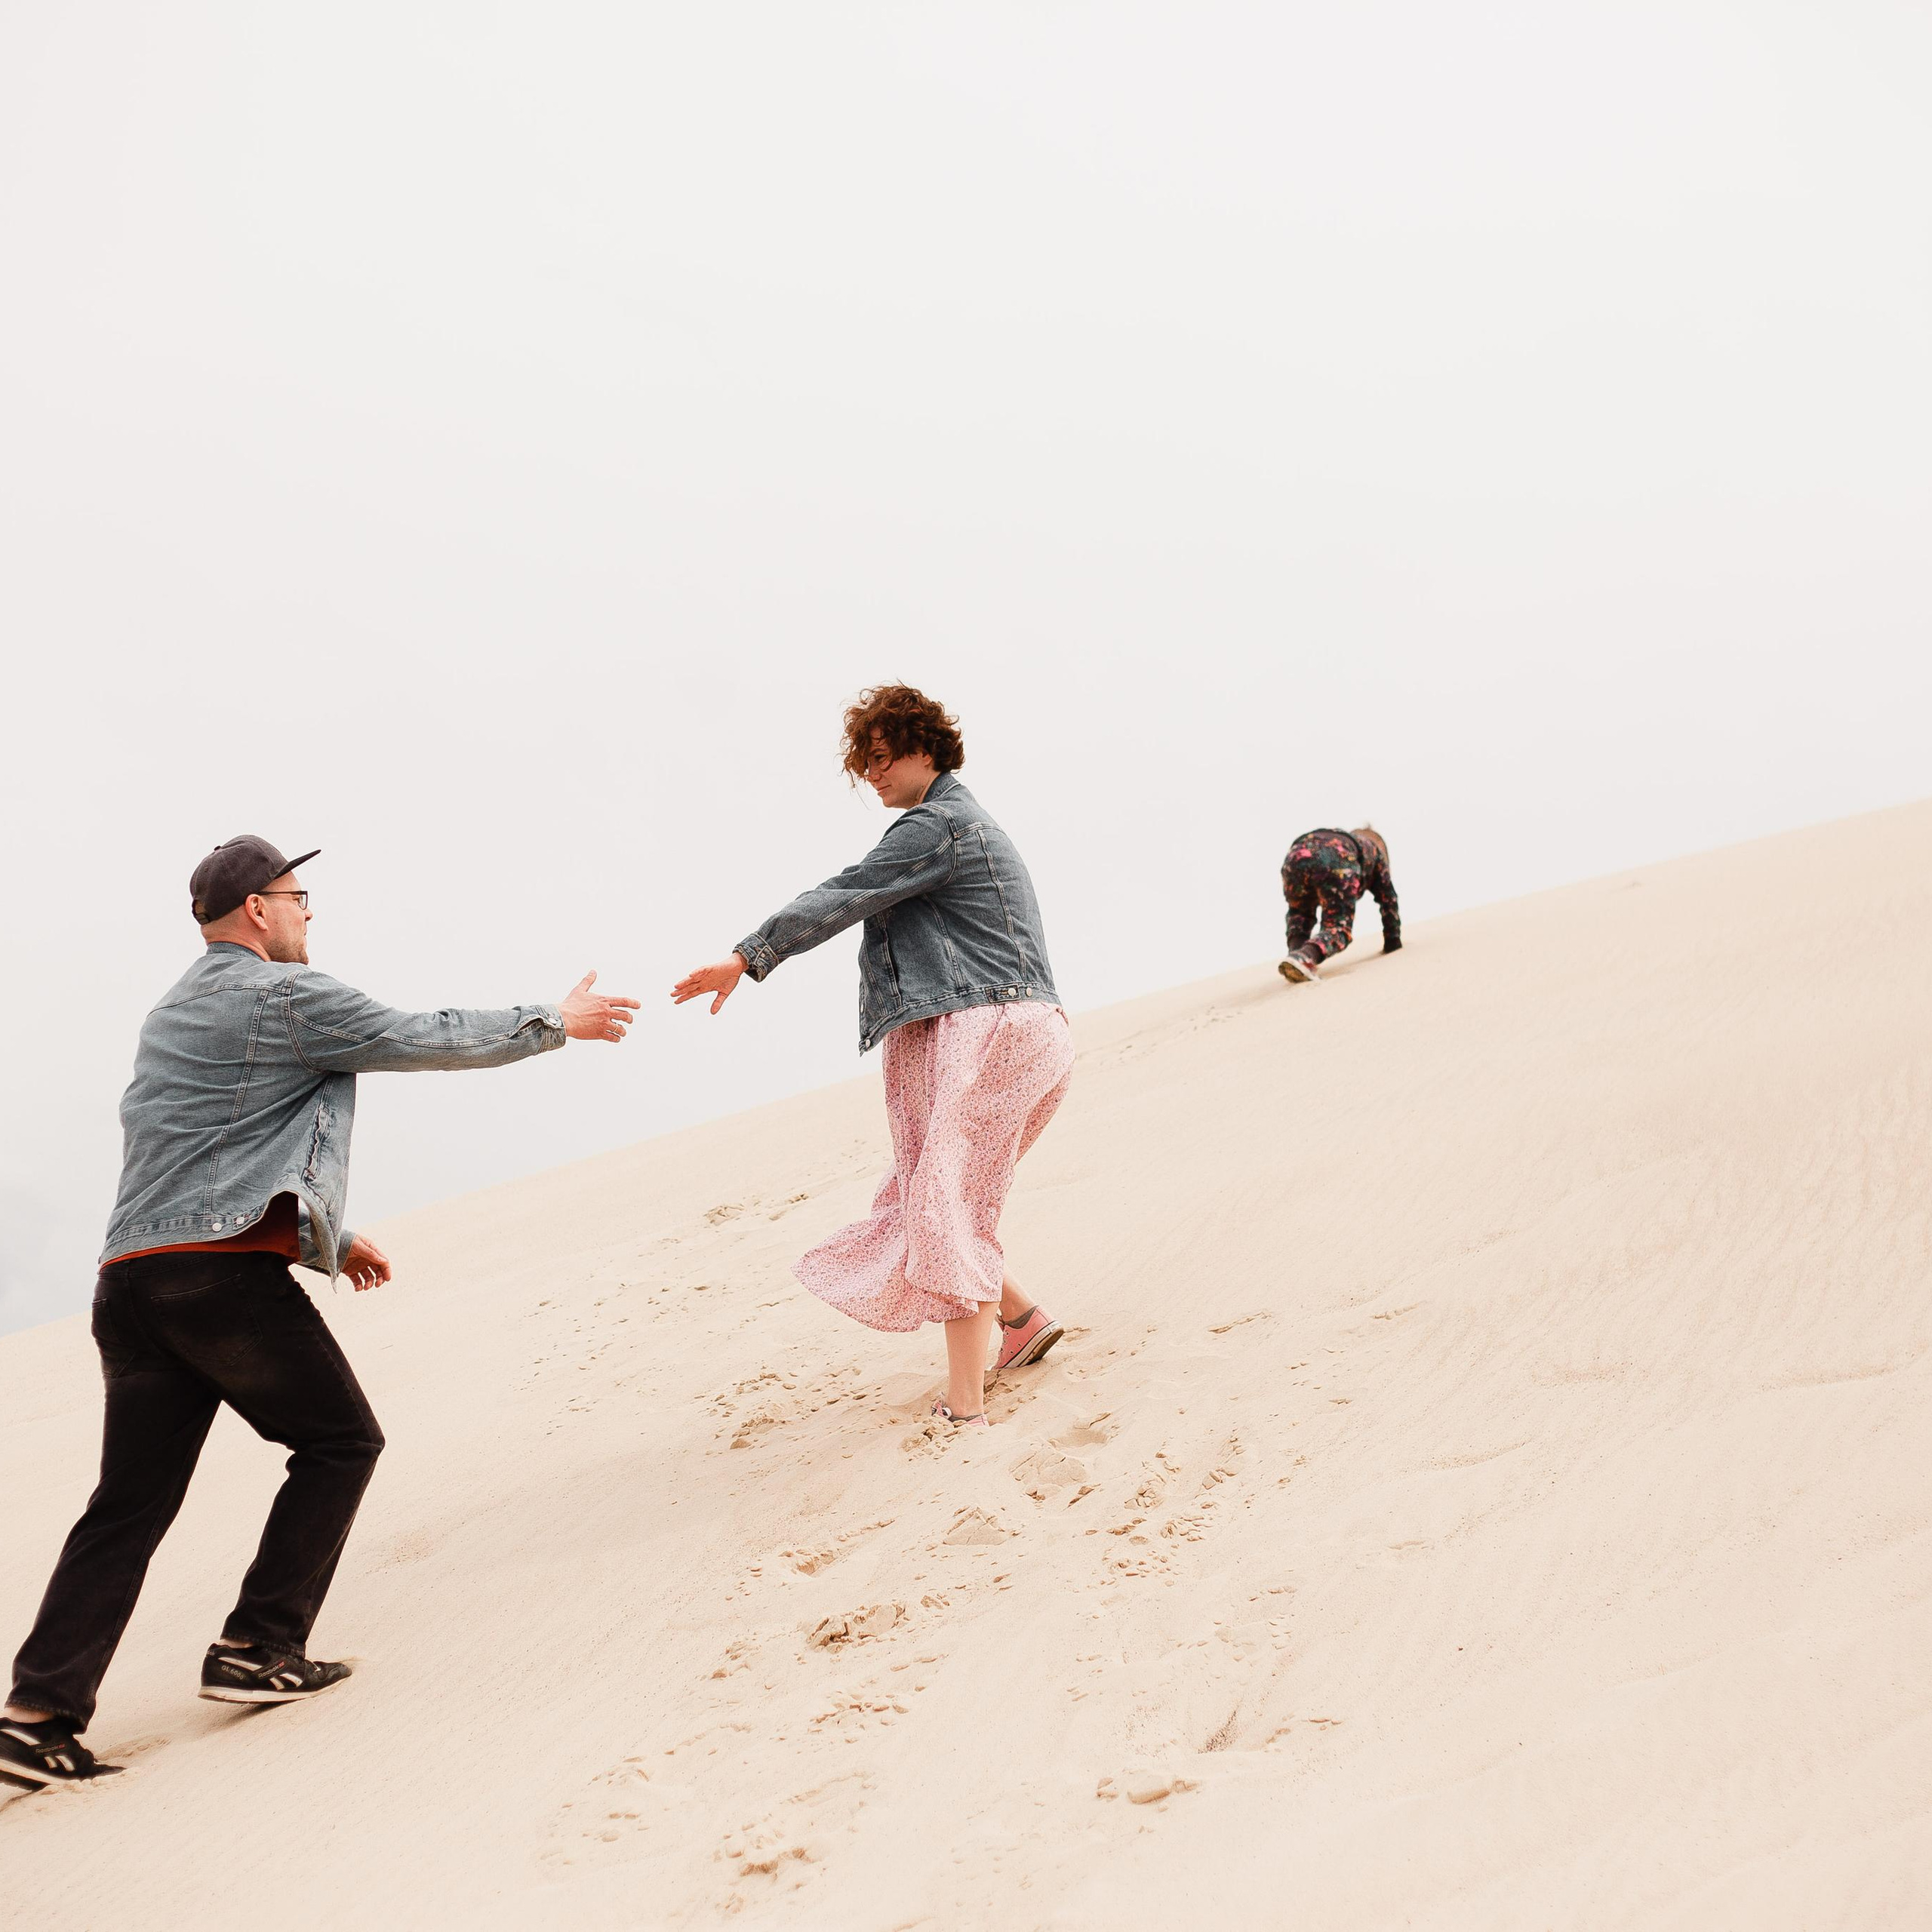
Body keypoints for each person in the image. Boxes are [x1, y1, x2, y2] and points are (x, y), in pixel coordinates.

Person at [0, 835, 638, 1790]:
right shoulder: (285, 997)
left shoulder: (170, 1012)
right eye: (299, 897)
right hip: (216, 1280)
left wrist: (327, 1238)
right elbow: (423, 1034)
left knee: (126, 1506)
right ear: (259, 909)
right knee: (343, 1442)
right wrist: (556, 1019)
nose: (309, 912)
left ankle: (36, 1715)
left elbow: (199, 1149)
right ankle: (259, 1644)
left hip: (130, 1285)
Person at [672, 686, 1072, 1431]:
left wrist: (747, 956)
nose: (873, 775)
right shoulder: (953, 823)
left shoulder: (937, 825)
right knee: (933, 1195)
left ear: (925, 748)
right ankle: (1021, 1320)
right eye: (865, 764)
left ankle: (965, 1407)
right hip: (987, 1027)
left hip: (988, 1027)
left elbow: (847, 893)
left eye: (883, 758)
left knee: (949, 1204)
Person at [1278, 824, 1402, 983]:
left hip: (1296, 855)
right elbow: (1389, 900)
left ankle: (1296, 956)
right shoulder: (1375, 851)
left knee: (1300, 913)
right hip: (1335, 858)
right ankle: (1305, 957)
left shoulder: (1346, 840)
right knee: (1338, 928)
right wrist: (1393, 942)